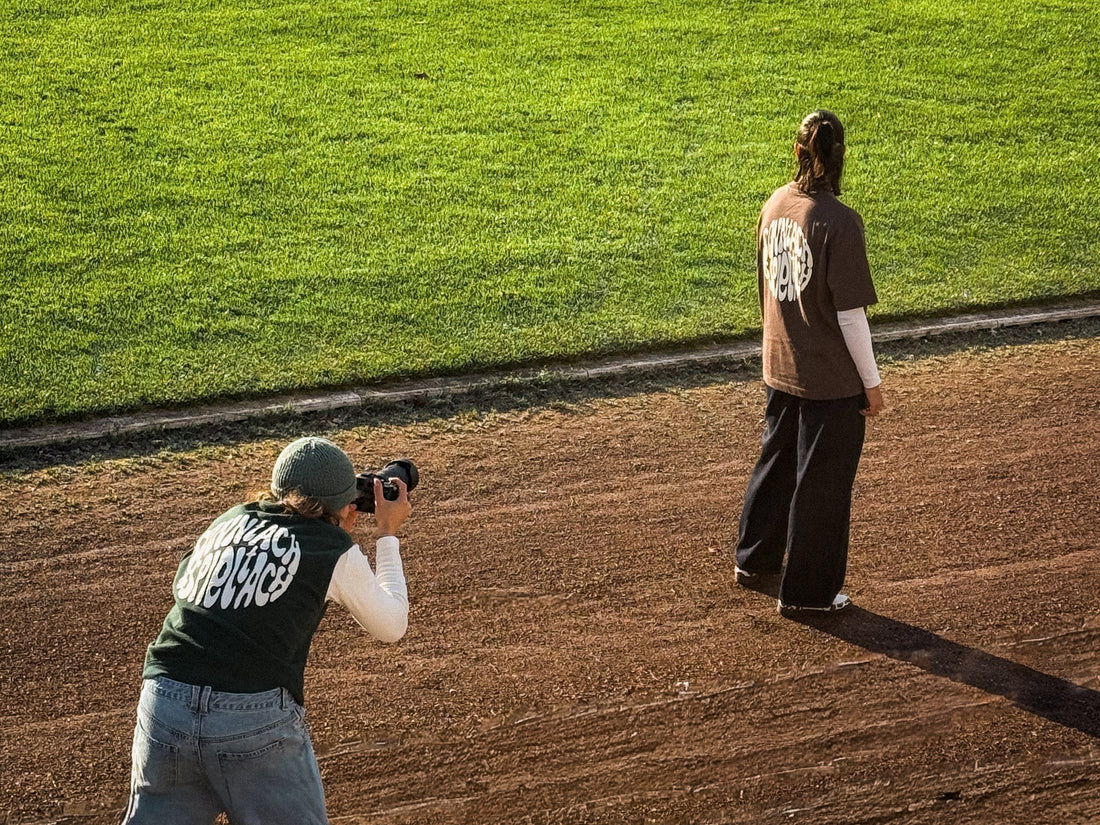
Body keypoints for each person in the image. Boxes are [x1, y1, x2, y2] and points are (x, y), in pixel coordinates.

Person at [121, 436, 411, 824]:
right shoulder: (330, 548)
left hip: (165, 698)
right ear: (342, 505)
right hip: (249, 714)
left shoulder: (229, 520)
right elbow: (392, 625)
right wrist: (387, 533)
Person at [734, 109, 885, 615]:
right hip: (830, 380)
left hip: (780, 364)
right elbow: (851, 318)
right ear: (841, 157)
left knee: (776, 463)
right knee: (823, 488)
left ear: (798, 152)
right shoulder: (840, 223)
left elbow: (766, 287)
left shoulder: (775, 203)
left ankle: (754, 559)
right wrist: (872, 385)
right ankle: (808, 595)